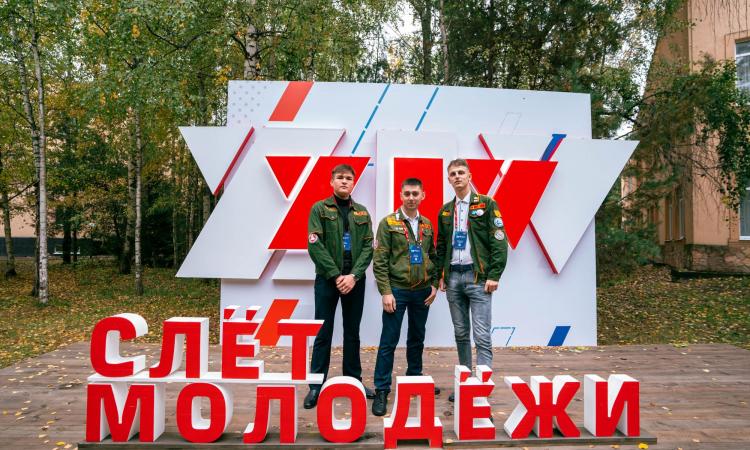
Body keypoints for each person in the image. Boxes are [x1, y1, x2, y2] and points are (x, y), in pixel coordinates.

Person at [435, 159, 508, 402]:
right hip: (453, 277)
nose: (457, 176)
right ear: (449, 179)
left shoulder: (486, 204)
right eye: (453, 174)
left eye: (461, 173)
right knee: (460, 333)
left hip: (478, 277)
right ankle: (465, 385)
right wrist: (441, 274)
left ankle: (481, 389)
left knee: (482, 335)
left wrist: (494, 275)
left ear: (469, 176)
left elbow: (499, 240)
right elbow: (442, 245)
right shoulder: (446, 211)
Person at [304, 164, 375, 408]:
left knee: (352, 333)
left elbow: (368, 247)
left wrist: (353, 275)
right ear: (332, 182)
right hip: (327, 280)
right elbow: (315, 244)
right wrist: (336, 275)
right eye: (340, 178)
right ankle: (315, 385)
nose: (344, 181)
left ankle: (353, 381)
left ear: (353, 183)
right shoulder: (319, 209)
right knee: (323, 332)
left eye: (348, 178)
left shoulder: (362, 212)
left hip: (355, 281)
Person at [371, 178, 439, 416]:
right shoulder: (388, 223)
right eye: (407, 193)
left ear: (423, 196)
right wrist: (386, 291)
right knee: (388, 341)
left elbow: (432, 255)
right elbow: (379, 261)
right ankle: (381, 389)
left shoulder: (427, 224)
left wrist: (434, 284)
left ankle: (414, 379)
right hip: (397, 291)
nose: (411, 198)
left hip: (422, 291)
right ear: (401, 195)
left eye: (415, 194)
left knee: (417, 338)